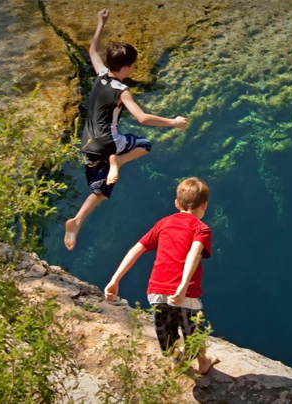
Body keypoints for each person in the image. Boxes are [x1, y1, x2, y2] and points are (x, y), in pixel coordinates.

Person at [64, 9, 188, 250]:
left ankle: (77, 220)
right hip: (109, 142)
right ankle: (117, 162)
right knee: (144, 145)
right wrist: (174, 122)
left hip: (88, 143)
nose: (133, 69)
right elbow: (142, 118)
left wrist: (100, 23)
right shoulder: (122, 90)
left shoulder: (101, 75)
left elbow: (92, 50)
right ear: (126, 67)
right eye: (132, 66)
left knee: (101, 189)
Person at [104, 177, 220, 374]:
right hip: (185, 294)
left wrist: (114, 280)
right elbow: (194, 254)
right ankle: (202, 362)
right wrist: (183, 287)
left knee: (167, 334)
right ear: (205, 205)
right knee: (194, 330)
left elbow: (136, 249)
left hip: (156, 290)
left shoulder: (163, 223)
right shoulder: (202, 229)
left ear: (177, 203)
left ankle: (176, 360)